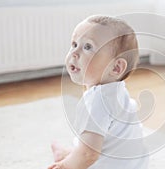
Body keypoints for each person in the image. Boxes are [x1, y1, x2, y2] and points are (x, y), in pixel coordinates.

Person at [48, 15, 149, 169]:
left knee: (81, 155)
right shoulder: (117, 91)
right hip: (134, 164)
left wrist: (64, 167)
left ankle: (67, 158)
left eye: (87, 47)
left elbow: (89, 154)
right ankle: (68, 153)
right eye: (74, 44)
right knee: (86, 146)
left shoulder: (97, 102)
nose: (75, 53)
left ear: (116, 68)